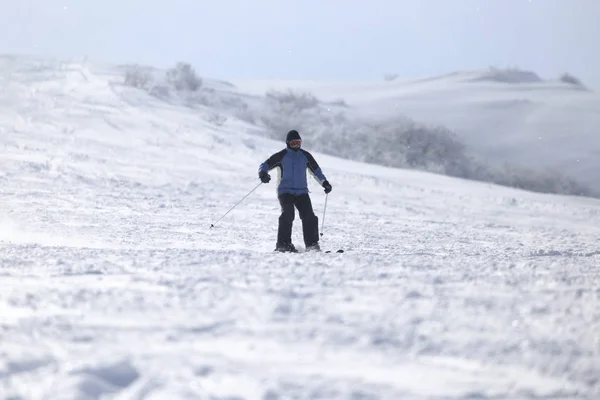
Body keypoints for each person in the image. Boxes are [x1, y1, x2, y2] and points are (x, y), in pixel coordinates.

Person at [258, 130, 332, 253]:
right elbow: (265, 164)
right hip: (285, 191)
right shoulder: (282, 155)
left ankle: (312, 244)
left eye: (299, 143)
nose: (297, 146)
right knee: (288, 214)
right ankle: (283, 244)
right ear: (288, 143)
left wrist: (324, 182)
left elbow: (316, 171)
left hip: (302, 192)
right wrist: (262, 173)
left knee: (309, 216)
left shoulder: (305, 156)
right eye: (294, 143)